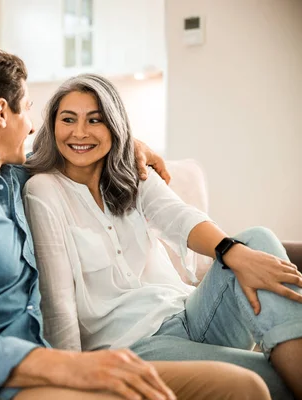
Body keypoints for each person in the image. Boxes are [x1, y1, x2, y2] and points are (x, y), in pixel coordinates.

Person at [0, 46, 270, 400]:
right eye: (27, 108)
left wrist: (128, 143)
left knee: (245, 387)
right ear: (1, 112)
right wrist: (70, 367)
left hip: (50, 375)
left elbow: (75, 152)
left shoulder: (9, 180)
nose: (32, 127)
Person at [22, 73, 302, 399]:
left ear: (115, 125)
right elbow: (59, 303)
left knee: (256, 239)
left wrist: (231, 250)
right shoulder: (43, 190)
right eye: (67, 119)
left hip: (189, 313)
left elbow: (180, 217)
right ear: (52, 126)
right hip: (137, 346)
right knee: (272, 381)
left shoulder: (132, 173)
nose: (79, 132)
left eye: (95, 120)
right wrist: (73, 380)